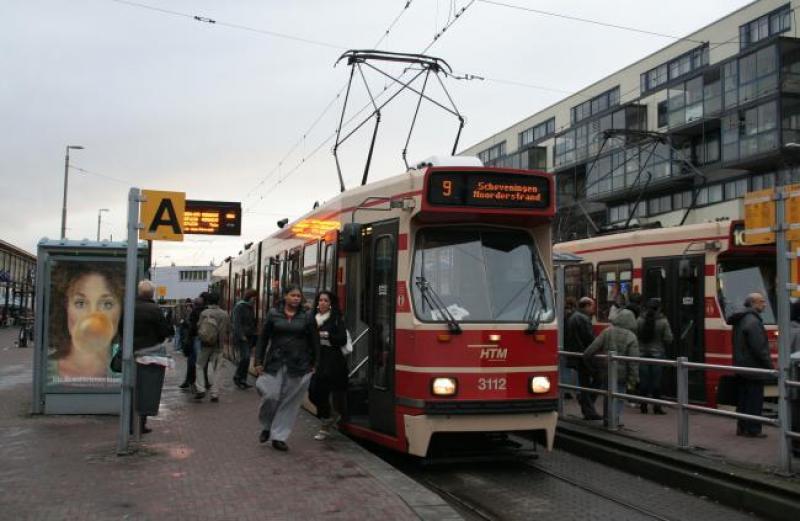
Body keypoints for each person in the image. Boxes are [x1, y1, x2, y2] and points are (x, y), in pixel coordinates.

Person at [254, 285, 319, 451]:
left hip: (299, 364)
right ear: (285, 296)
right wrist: (258, 361)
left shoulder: (307, 316)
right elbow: (263, 338)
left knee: (289, 401)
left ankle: (279, 437)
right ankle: (267, 426)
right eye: (293, 295)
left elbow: (315, 342)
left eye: (299, 296)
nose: (296, 298)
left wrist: (315, 363)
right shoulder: (273, 313)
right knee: (271, 395)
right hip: (274, 362)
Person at [48, 262, 124, 381]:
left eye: (107, 304)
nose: (92, 316)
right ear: (65, 308)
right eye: (80, 303)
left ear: (121, 310)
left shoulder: (126, 372)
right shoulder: (47, 371)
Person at [583, 308, 639, 426]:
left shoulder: (607, 331)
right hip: (622, 374)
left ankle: (607, 419)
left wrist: (594, 367)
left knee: (608, 395)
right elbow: (633, 362)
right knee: (618, 397)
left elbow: (589, 351)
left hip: (607, 370)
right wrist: (633, 379)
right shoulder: (632, 337)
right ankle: (614, 420)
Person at [730, 293, 773, 438]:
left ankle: (742, 427)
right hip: (753, 368)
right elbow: (759, 348)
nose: (765, 304)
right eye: (762, 302)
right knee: (754, 400)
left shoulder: (741, 319)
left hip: (741, 367)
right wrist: (770, 366)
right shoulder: (753, 322)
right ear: (753, 303)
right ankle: (753, 429)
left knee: (743, 399)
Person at [308, 290, 349, 440]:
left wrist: (327, 336)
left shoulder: (336, 319)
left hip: (332, 362)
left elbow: (342, 339)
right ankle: (331, 415)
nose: (322, 303)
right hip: (317, 360)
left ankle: (325, 425)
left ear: (331, 303)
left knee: (322, 392)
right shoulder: (312, 319)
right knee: (313, 392)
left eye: (326, 300)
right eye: (320, 300)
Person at [133, 280, 173, 433]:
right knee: (146, 389)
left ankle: (131, 423)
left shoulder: (130, 307)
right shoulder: (155, 309)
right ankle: (141, 424)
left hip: (131, 353)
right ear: (152, 294)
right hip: (149, 354)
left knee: (132, 386)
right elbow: (164, 332)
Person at [565, 297, 601, 420]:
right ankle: (588, 405)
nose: (593, 309)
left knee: (584, 381)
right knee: (599, 377)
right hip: (584, 355)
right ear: (586, 306)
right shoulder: (583, 319)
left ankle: (587, 406)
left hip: (577, 354)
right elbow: (589, 337)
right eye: (592, 307)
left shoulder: (573, 317)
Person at [636, 298, 673, 414]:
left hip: (641, 354)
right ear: (659, 308)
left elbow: (635, 334)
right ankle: (657, 407)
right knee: (656, 382)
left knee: (644, 381)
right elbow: (669, 338)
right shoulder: (663, 321)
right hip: (657, 354)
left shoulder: (640, 320)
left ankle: (643, 406)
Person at [194, 292, 231, 402]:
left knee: (199, 365)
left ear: (208, 301)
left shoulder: (204, 313)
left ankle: (201, 389)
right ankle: (214, 394)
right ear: (218, 301)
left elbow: (199, 326)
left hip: (205, 344)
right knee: (217, 369)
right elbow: (228, 329)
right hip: (218, 345)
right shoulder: (224, 314)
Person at [179, 294, 206, 391]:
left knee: (192, 361)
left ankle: (191, 381)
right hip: (203, 339)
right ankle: (194, 381)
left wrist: (187, 339)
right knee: (198, 362)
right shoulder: (204, 311)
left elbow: (192, 327)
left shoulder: (195, 312)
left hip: (195, 339)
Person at [232, 289, 258, 390]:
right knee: (246, 357)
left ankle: (242, 379)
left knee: (246, 358)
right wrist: (241, 335)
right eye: (254, 299)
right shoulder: (240, 306)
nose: (255, 301)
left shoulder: (250, 307)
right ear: (250, 297)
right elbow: (237, 323)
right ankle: (238, 376)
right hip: (242, 337)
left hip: (250, 336)